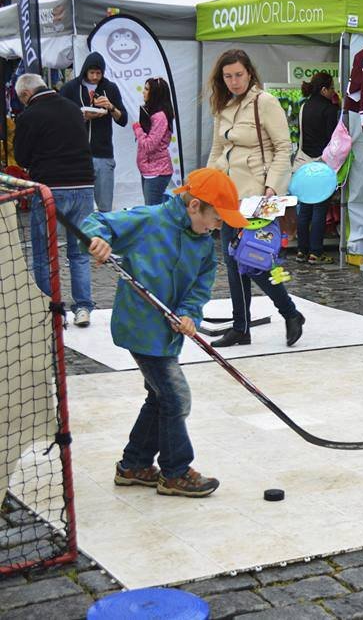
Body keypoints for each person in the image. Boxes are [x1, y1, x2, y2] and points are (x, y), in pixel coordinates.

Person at [81, 168, 243, 497]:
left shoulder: (203, 246)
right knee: (175, 397)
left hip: (169, 332)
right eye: (216, 218)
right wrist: (97, 240)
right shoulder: (151, 219)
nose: (218, 226)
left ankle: (134, 465)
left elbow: (200, 286)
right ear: (195, 206)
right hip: (141, 326)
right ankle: (175, 471)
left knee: (159, 396)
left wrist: (188, 313)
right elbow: (99, 222)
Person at [206, 49, 304, 348]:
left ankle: (289, 312)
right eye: (227, 76)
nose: (234, 81)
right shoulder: (223, 106)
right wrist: (207, 187)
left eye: (238, 74)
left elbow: (283, 147)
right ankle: (241, 327)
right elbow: (217, 149)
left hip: (257, 197)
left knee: (254, 261)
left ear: (249, 72)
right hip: (228, 196)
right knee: (234, 264)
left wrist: (273, 187)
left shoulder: (265, 102)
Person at [13, 73, 97, 327]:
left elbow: (22, 157)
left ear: (26, 95)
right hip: (84, 186)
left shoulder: (29, 116)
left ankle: (52, 311)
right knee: (80, 252)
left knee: (44, 255)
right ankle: (83, 308)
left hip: (51, 190)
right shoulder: (73, 108)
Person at [59, 52, 127, 213]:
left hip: (103, 153)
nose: (95, 77)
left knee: (105, 205)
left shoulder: (110, 88)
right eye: (92, 73)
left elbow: (123, 119)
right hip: (77, 155)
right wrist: (81, 117)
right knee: (80, 207)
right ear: (85, 71)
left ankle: (102, 236)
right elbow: (60, 118)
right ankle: (82, 237)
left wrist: (111, 107)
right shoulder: (71, 88)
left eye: (99, 73)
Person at [294, 71, 339, 265]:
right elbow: (332, 140)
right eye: (331, 88)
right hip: (321, 163)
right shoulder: (329, 109)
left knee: (304, 210)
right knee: (320, 209)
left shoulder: (304, 106)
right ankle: (316, 252)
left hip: (304, 163)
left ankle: (301, 251)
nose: (333, 91)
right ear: (324, 89)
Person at [133, 77, 175, 206]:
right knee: (152, 210)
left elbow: (149, 145)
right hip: (149, 170)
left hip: (157, 172)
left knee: (152, 213)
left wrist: (137, 128)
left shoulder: (160, 117)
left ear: (155, 94)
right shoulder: (154, 114)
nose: (143, 92)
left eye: (147, 89)